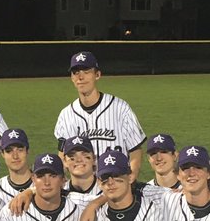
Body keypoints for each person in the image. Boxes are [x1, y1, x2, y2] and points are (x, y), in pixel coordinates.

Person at [54, 51, 146, 180]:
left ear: (97, 75)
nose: (81, 77)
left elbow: (135, 149)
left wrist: (132, 175)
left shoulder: (120, 108)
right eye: (76, 72)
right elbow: (62, 155)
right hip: (83, 188)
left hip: (116, 184)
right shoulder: (66, 115)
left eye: (86, 71)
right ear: (72, 78)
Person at [0, 128, 34, 205]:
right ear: (2, 154)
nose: (15, 156)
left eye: (20, 149)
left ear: (27, 151)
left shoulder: (45, 183)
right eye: (9, 151)